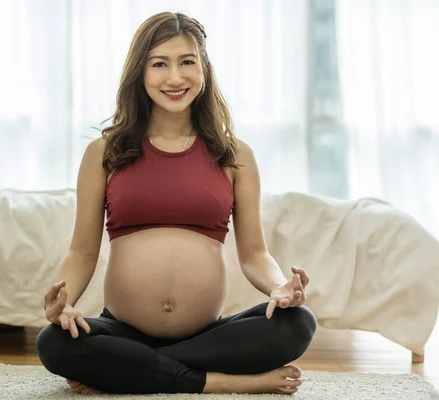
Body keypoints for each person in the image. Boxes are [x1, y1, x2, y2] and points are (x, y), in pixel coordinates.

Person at [36, 11, 317, 395]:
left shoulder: (235, 155)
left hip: (206, 334)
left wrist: (278, 288)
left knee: (298, 323)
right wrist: (63, 302)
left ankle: (129, 371)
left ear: (204, 69)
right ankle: (221, 382)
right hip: (123, 329)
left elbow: (254, 253)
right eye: (159, 64)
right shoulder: (105, 151)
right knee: (53, 343)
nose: (174, 78)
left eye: (187, 62)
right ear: (141, 72)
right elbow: (82, 251)